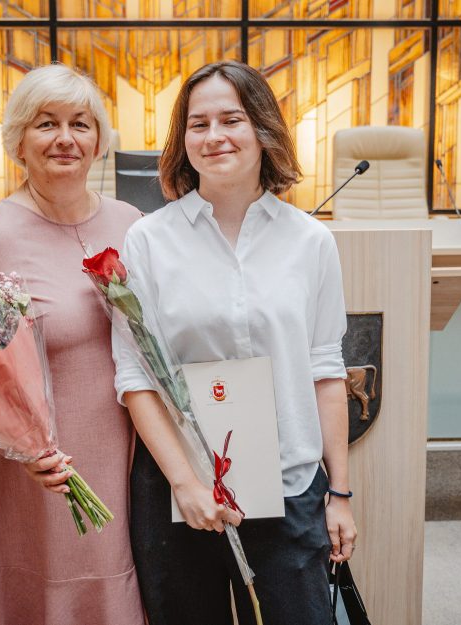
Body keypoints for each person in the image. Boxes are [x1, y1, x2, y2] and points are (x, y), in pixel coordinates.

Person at [114, 61, 357, 625]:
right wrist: (185, 482)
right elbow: (135, 377)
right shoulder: (148, 241)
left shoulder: (310, 241)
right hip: (182, 488)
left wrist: (339, 492)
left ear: (263, 130)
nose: (214, 136)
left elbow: (326, 368)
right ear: (182, 140)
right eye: (198, 124)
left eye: (232, 119)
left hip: (289, 481)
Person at [0, 64, 145, 625]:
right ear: (18, 140)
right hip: (52, 472)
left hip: (138, 458)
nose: (66, 139)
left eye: (80, 124)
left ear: (99, 141)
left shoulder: (132, 223)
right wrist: (22, 449)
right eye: (46, 124)